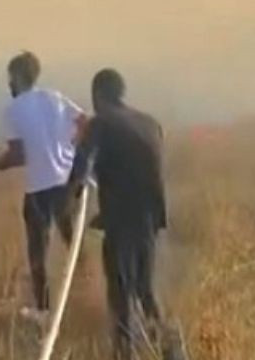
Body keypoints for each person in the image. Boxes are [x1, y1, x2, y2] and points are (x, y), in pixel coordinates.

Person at [0, 50, 89, 321]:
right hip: (67, 183)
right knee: (74, 240)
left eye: (10, 78)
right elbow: (84, 122)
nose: (9, 83)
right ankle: (88, 290)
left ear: (18, 77)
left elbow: (17, 155)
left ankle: (42, 310)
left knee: (37, 249)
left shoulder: (13, 109)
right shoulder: (54, 97)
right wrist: (73, 148)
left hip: (40, 189)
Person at [70, 68, 178, 360]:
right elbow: (138, 170)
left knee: (120, 293)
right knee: (145, 288)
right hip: (149, 218)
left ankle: (123, 354)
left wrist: (72, 199)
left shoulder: (100, 123)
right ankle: (171, 351)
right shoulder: (149, 123)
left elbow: (80, 172)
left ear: (97, 96)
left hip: (123, 219)